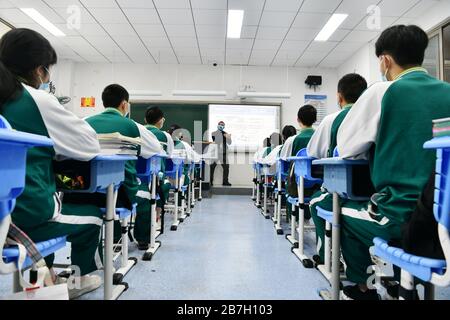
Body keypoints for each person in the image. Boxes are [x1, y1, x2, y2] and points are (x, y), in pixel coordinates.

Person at [337, 25, 450, 300]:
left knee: (342, 213)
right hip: (445, 215)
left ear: (385, 60)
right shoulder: (448, 91)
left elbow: (346, 148)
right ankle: (402, 279)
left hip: (402, 212)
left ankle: (358, 287)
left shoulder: (382, 92)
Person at [0, 28, 102, 299]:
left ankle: (43, 279)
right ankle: (77, 282)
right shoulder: (35, 100)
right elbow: (89, 146)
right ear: (39, 70)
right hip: (21, 216)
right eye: (47, 72)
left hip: (7, 218)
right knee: (92, 220)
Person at [63, 84, 162, 247]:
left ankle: (113, 238)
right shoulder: (133, 126)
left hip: (81, 190)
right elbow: (155, 149)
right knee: (126, 187)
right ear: (124, 104)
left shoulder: (84, 122)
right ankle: (127, 238)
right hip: (120, 194)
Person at [308, 73, 368, 268]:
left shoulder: (332, 120)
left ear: (339, 97)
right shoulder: (375, 115)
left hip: (343, 190)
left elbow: (312, 153)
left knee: (315, 203)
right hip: (375, 188)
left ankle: (327, 256)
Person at [134, 106, 174, 250]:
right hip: (154, 177)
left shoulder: (136, 130)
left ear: (145, 119)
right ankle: (156, 217)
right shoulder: (165, 136)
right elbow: (169, 156)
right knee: (163, 187)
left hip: (132, 176)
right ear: (161, 120)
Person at [210, 121, 232, 186]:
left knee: (226, 167)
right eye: (220, 125)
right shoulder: (213, 133)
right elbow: (216, 140)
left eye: (222, 125)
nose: (221, 126)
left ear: (224, 126)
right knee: (212, 167)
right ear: (218, 125)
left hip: (223, 153)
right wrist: (223, 135)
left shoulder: (226, 133)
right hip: (216, 153)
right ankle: (210, 181)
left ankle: (225, 182)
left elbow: (229, 143)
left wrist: (228, 137)